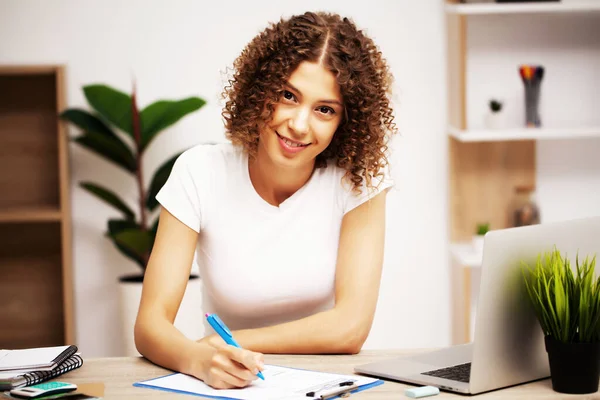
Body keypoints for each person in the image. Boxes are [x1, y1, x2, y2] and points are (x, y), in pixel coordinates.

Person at [134, 10, 397, 390]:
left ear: (346, 121)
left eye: (325, 109)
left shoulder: (358, 182)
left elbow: (350, 328)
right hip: (227, 384)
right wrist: (200, 359)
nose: (299, 124)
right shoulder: (199, 172)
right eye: (288, 96)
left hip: (324, 387)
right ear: (260, 91)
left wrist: (226, 343)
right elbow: (150, 324)